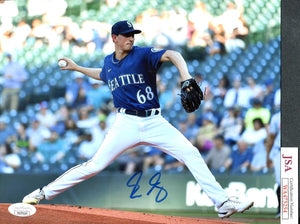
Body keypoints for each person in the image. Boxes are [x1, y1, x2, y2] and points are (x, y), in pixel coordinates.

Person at [22, 20, 253, 218]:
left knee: (191, 153)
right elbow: (103, 75)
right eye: (126, 35)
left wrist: (186, 78)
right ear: (115, 38)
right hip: (126, 124)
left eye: (133, 35)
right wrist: (77, 68)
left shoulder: (142, 54)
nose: (131, 39)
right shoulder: (108, 63)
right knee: (94, 165)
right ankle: (42, 193)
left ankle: (222, 204)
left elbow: (174, 54)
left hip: (155, 122)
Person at [265, 111, 280, 218]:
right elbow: (271, 137)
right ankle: (282, 209)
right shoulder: (277, 117)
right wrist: (268, 156)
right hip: (280, 150)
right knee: (280, 181)